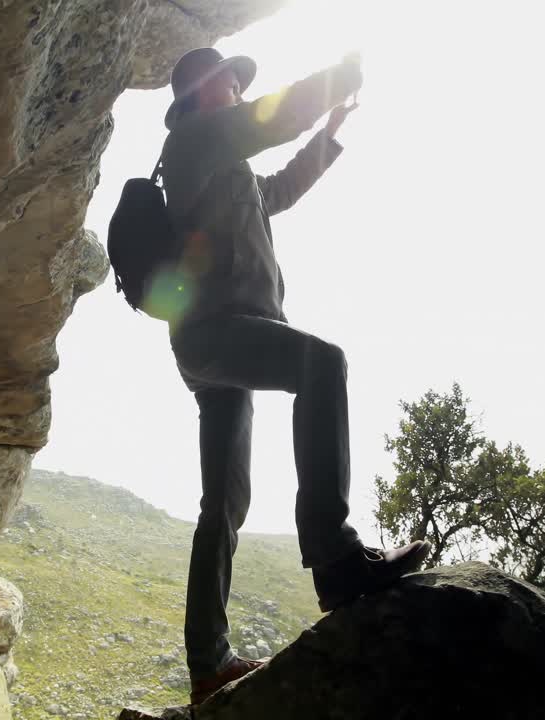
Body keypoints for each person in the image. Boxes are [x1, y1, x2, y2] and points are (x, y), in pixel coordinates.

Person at [157, 47, 433, 706]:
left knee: (225, 503)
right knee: (321, 363)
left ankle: (208, 663)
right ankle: (335, 558)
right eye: (226, 79)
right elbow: (268, 120)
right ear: (200, 92)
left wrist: (329, 133)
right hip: (215, 332)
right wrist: (336, 79)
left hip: (227, 339)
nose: (234, 85)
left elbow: (278, 189)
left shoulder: (231, 167)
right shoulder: (194, 142)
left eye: (236, 80)